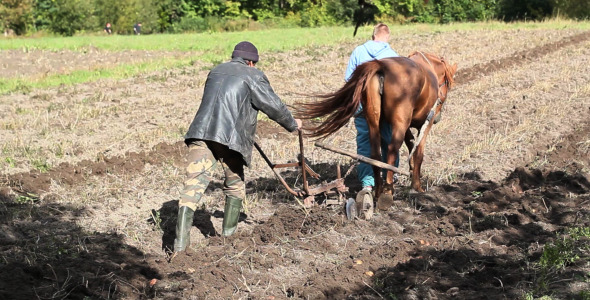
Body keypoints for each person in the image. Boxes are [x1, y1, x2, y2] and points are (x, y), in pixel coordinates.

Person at [172, 41, 302, 257]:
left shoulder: (216, 71)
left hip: (200, 133)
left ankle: (179, 249)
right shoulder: (253, 75)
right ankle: (227, 240)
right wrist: (292, 124)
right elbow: (273, 106)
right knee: (234, 185)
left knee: (191, 189)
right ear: (251, 62)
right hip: (229, 140)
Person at [344, 23, 399, 218]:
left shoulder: (359, 51)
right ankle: (387, 182)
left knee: (366, 141)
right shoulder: (394, 56)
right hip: (388, 110)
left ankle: (367, 184)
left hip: (362, 108)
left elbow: (348, 80)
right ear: (387, 37)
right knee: (389, 142)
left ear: (373, 35)